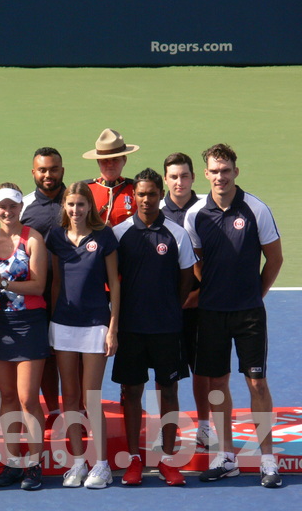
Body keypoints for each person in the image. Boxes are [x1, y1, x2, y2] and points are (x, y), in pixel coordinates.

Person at [184, 144, 283, 488]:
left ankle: (268, 460)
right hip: (211, 314)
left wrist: (255, 294)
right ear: (206, 174)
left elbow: (275, 259)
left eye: (226, 170)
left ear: (235, 172)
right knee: (216, 384)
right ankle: (227, 457)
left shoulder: (256, 209)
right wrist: (211, 289)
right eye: (215, 171)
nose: (221, 176)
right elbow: (196, 261)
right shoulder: (195, 214)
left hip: (249, 315)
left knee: (256, 382)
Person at [112, 169, 196, 487]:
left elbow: (186, 278)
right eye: (141, 194)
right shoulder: (120, 234)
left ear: (161, 194)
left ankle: (168, 459)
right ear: (134, 196)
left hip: (166, 328)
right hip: (131, 329)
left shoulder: (176, 234)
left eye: (151, 193)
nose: (146, 199)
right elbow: (112, 280)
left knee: (169, 392)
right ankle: (134, 459)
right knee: (131, 392)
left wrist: (168, 308)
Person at [45, 181, 119, 489]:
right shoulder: (56, 237)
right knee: (70, 397)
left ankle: (101, 465)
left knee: (91, 397)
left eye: (81, 204)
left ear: (90, 206)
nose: (76, 210)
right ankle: (77, 462)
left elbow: (115, 284)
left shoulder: (104, 237)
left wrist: (113, 328)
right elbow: (56, 284)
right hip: (63, 325)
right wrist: (51, 322)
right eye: (71, 205)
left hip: (95, 324)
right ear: (65, 206)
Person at [0, 184, 49, 491]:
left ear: (20, 208)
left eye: (12, 206)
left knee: (27, 398)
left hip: (29, 324)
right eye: (1, 206)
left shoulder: (33, 239)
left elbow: (38, 286)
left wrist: (4, 282)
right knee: (8, 398)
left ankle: (33, 464)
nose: (7, 211)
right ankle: (11, 462)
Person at [161, 152, 211, 451]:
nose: (179, 182)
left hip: (200, 307)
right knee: (165, 374)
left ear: (193, 177)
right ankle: (168, 431)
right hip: (166, 310)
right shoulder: (157, 212)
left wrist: (199, 295)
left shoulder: (207, 211)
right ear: (166, 179)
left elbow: (216, 262)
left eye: (184, 176)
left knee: (202, 369)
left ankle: (204, 427)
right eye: (173, 176)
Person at [20, 147, 66, 429]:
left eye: (54, 169)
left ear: (63, 169)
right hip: (36, 294)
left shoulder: (76, 201)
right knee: (45, 354)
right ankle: (54, 411)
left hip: (75, 293)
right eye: (43, 170)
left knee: (76, 357)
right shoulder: (24, 206)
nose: (48, 175)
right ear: (34, 172)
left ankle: (79, 410)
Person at [82, 128, 140, 226]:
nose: (110, 164)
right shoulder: (86, 190)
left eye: (115, 160)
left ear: (124, 160)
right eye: (105, 160)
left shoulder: (136, 189)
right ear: (98, 162)